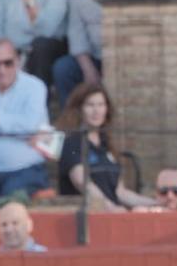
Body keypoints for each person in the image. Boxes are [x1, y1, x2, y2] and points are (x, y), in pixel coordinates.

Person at [0, 36, 53, 198]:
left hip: (26, 171)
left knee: (9, 203)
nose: (2, 70)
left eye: (8, 63)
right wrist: (14, 129)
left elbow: (30, 126)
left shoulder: (34, 87)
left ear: (17, 61)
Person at [56, 81, 156, 210]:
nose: (96, 111)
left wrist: (156, 203)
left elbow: (120, 192)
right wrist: (111, 208)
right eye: (90, 105)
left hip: (111, 216)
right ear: (80, 109)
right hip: (88, 217)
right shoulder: (71, 143)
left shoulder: (107, 145)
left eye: (101, 105)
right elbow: (83, 183)